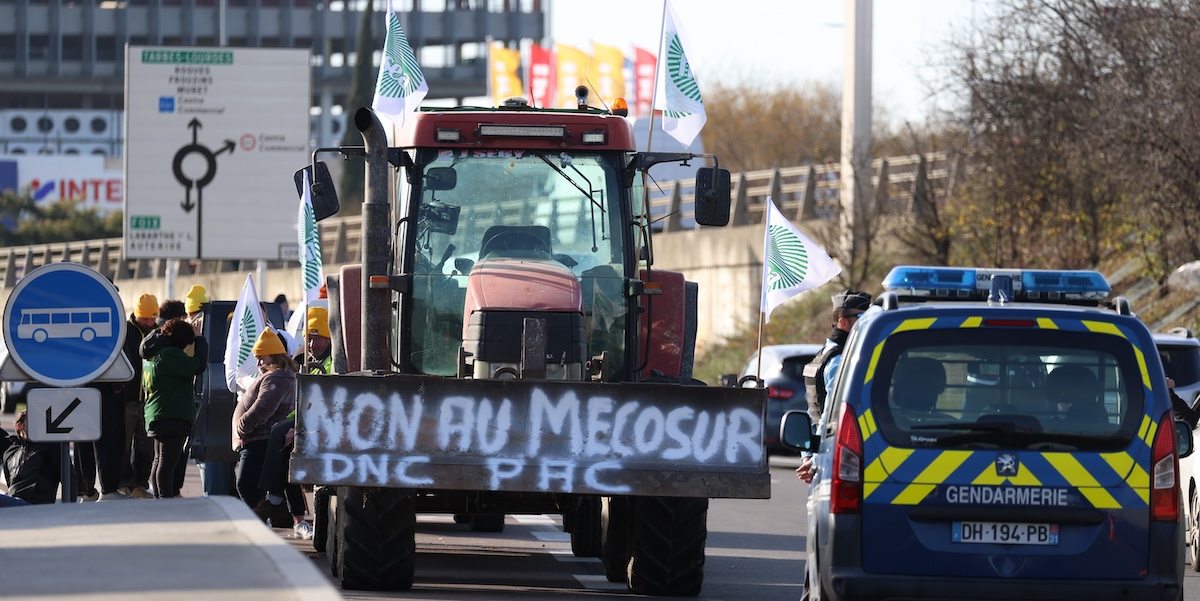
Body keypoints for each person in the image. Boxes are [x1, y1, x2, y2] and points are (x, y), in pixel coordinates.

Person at [796, 289, 872, 484]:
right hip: (835, 458)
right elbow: (828, 414)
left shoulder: (827, 353)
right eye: (861, 316)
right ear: (843, 321)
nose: (867, 321)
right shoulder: (838, 361)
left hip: (827, 457)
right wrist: (814, 460)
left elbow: (814, 411)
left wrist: (808, 454)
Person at [142, 318, 208, 499]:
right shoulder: (169, 354)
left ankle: (160, 498)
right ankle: (165, 500)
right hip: (171, 414)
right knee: (167, 462)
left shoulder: (153, 352)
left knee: (159, 460)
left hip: (157, 413)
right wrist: (200, 339)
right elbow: (198, 365)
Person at [232, 328, 297, 509]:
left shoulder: (276, 378)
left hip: (260, 439)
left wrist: (241, 427)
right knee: (254, 487)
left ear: (274, 357)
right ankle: (266, 520)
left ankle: (261, 521)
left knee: (246, 485)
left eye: (263, 357)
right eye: (257, 358)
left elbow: (263, 409)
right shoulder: (279, 376)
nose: (259, 363)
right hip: (259, 438)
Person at [118, 293, 159, 499]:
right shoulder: (124, 331)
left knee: (146, 446)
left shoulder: (158, 333)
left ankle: (140, 484)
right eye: (146, 319)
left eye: (153, 318)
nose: (150, 322)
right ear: (137, 315)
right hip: (127, 398)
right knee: (123, 445)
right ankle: (123, 483)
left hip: (149, 400)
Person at [1, 410, 78, 504]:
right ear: (20, 426)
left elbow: (69, 476)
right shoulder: (11, 451)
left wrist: (68, 509)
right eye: (33, 421)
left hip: (34, 504)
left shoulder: (48, 445)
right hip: (14, 502)